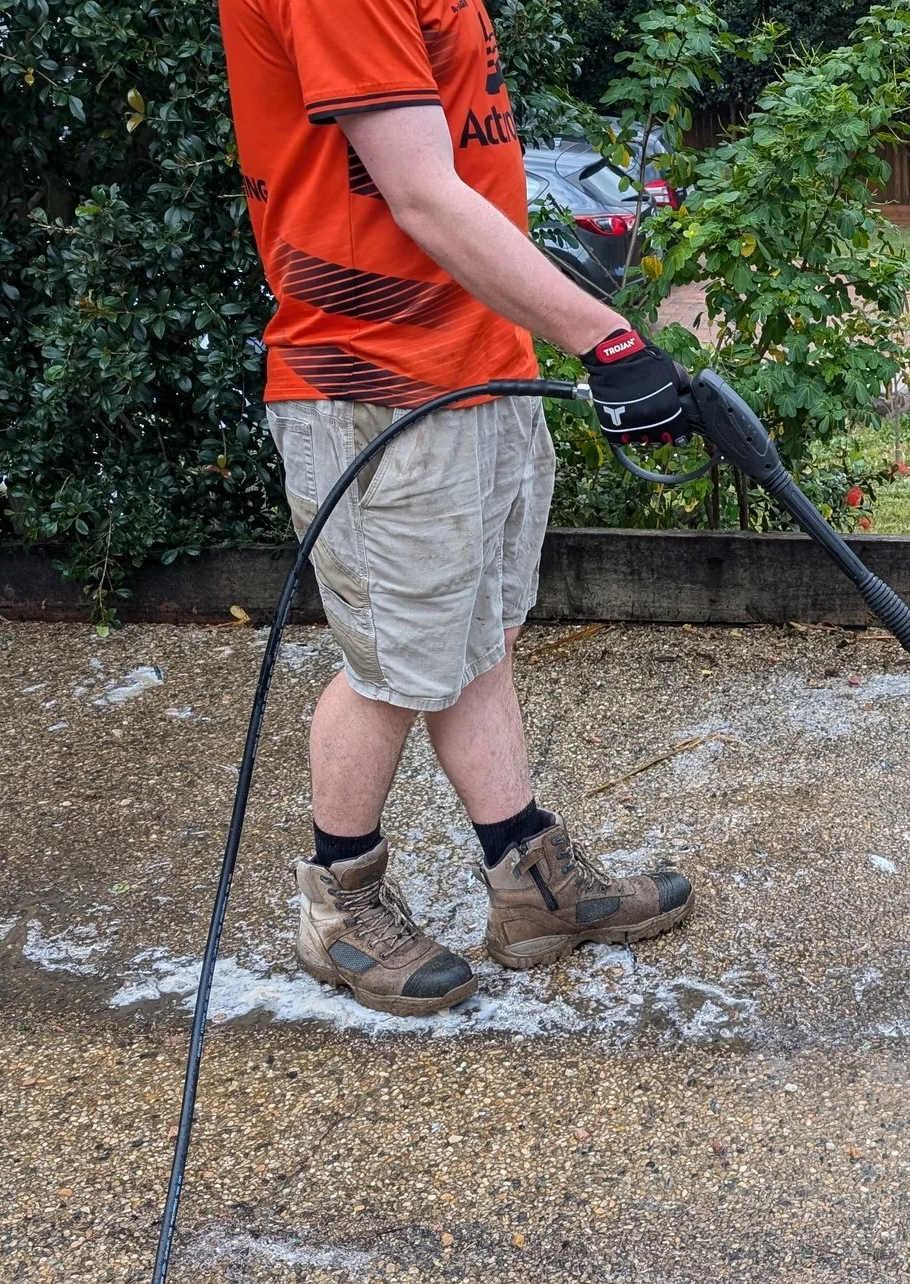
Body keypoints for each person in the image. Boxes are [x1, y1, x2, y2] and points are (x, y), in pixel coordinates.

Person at [222, 0, 696, 1016]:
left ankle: (529, 883)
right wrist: (607, 339)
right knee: (394, 664)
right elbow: (422, 193)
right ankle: (339, 902)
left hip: (475, 362)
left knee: (479, 638)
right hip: (373, 385)